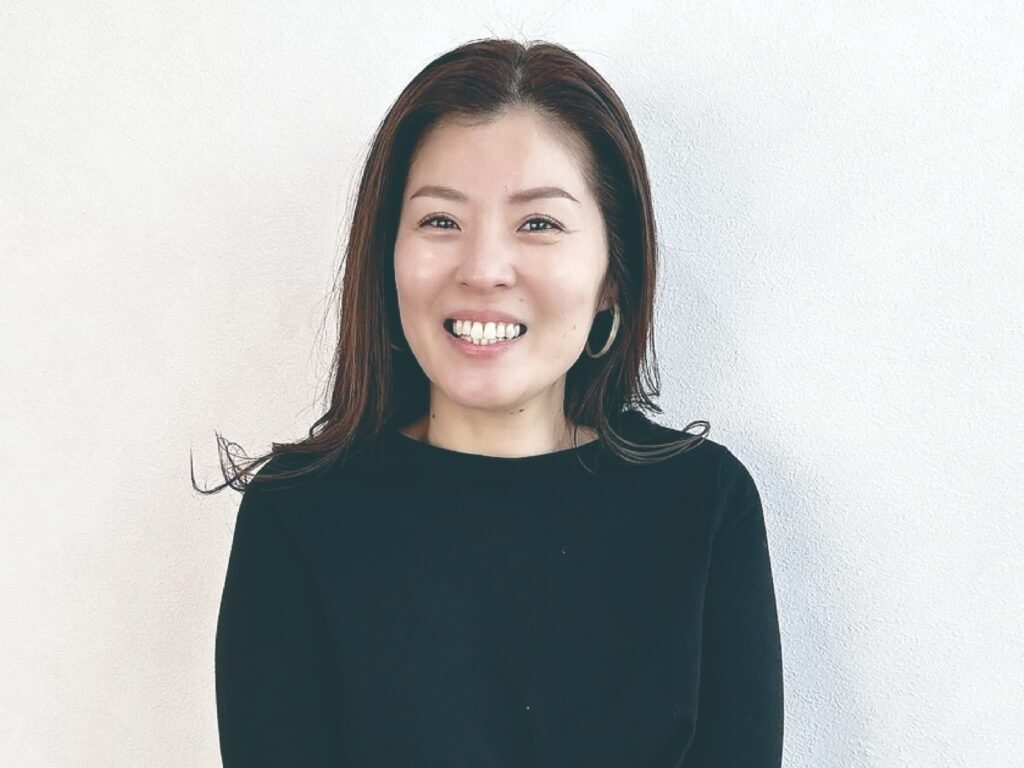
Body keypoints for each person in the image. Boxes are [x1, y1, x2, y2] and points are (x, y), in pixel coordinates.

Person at [201, 37, 784, 767]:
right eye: (440, 221)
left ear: (613, 275)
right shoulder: (298, 515)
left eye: (538, 224)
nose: (482, 269)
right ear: (387, 259)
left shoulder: (703, 506)